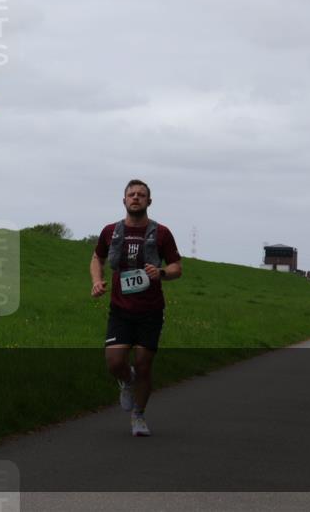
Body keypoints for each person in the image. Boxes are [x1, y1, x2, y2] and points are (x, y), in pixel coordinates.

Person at [90, 179, 182, 437]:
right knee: (114, 362)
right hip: (120, 308)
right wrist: (97, 281)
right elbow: (97, 257)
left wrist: (161, 272)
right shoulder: (111, 231)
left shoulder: (161, 233)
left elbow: (177, 267)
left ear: (149, 201)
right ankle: (127, 381)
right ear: (124, 200)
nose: (136, 197)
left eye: (141, 194)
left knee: (144, 364)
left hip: (150, 311)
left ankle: (138, 416)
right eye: (131, 194)